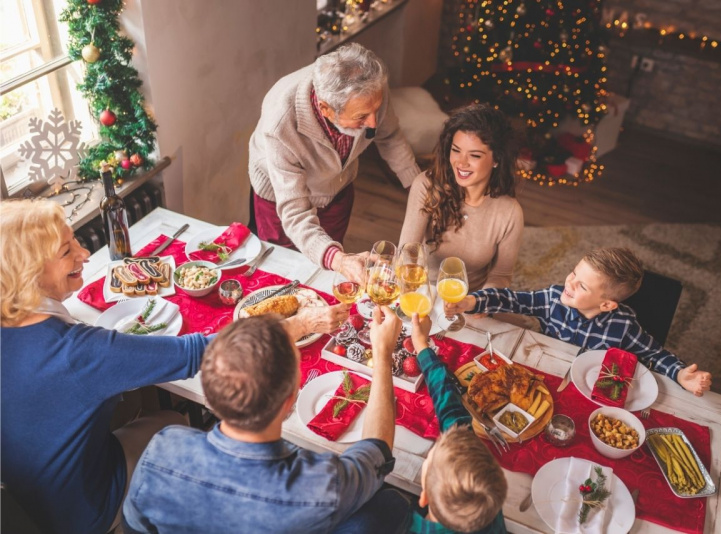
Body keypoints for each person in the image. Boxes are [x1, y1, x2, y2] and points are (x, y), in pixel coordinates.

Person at [0, 200, 349, 534]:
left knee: (139, 403)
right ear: (27, 274)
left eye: (75, 240)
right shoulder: (78, 352)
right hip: (80, 512)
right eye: (66, 251)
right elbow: (204, 352)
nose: (85, 254)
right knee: (171, 422)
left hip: (22, 498)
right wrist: (303, 323)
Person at [122, 307, 406, 533]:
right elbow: (377, 450)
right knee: (392, 505)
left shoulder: (161, 449)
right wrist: (382, 355)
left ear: (209, 390)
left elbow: (134, 526)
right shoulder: (321, 483)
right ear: (290, 399)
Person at [249, 42, 420, 274]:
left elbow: (390, 137)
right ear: (326, 109)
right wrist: (339, 260)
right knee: (286, 268)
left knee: (325, 266)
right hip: (280, 197)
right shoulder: (280, 123)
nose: (372, 123)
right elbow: (296, 213)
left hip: (337, 186)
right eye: (361, 117)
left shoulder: (370, 90)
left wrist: (418, 187)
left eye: (376, 110)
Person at [446, 247, 713, 396]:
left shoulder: (624, 326)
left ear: (607, 304)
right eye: (573, 273)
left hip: (591, 389)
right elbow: (512, 300)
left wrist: (679, 373)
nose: (569, 283)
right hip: (543, 374)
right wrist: (471, 302)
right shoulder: (553, 299)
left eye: (582, 285)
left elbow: (654, 353)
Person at [396, 313, 508, 533]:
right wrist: (423, 347)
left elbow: (450, 407)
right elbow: (452, 413)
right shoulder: (488, 505)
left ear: (423, 496)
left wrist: (422, 348)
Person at [398, 103, 524, 290]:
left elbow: (501, 276)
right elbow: (407, 253)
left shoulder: (510, 212)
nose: (461, 163)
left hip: (470, 302)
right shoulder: (426, 185)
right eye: (456, 150)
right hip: (421, 292)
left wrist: (480, 301)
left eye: (474, 155)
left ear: (496, 159)